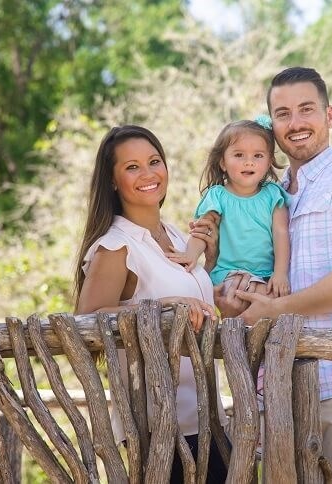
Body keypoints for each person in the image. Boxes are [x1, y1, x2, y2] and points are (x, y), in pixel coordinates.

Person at [218, 67, 332, 483]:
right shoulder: (266, 198)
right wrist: (231, 299)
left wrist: (276, 308)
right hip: (276, 391)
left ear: (329, 115)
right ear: (272, 125)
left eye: (306, 110)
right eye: (283, 114)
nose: (295, 123)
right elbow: (244, 278)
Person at [74, 125, 228, 483]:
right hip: (158, 429)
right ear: (112, 181)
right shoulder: (115, 246)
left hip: (209, 420)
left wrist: (215, 263)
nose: (148, 174)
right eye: (132, 167)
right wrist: (161, 308)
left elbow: (200, 309)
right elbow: (84, 322)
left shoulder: (178, 236)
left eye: (154, 161)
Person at [167, 119, 291, 299]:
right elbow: (204, 230)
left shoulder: (273, 195)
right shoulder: (217, 196)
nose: (249, 162)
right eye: (239, 155)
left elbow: (281, 233)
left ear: (269, 161)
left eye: (258, 156)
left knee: (272, 300)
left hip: (266, 275)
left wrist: (280, 273)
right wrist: (191, 254)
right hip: (227, 275)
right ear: (223, 163)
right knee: (235, 297)